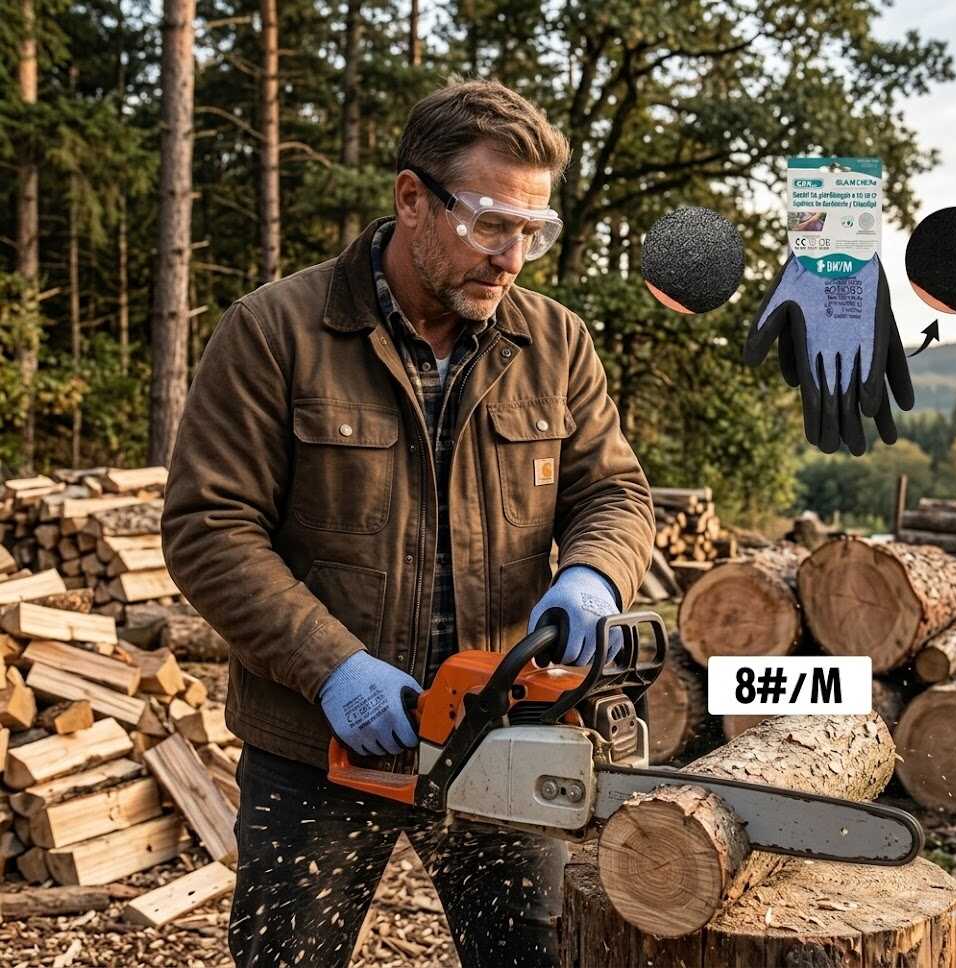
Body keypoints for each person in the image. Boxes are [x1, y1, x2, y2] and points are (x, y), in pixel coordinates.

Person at [161, 77, 654, 967]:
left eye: (532, 231)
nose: (512, 258)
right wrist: (332, 666)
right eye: (491, 224)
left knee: (532, 956)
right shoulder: (275, 332)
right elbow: (210, 526)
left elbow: (613, 494)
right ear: (411, 199)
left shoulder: (554, 344)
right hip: (318, 743)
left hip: (502, 730)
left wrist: (594, 574)